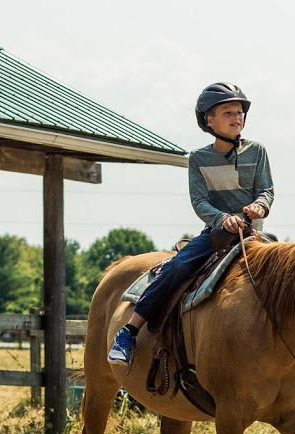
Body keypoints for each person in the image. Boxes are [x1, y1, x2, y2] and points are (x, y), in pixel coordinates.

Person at [108, 82, 274, 366]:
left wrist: (261, 205)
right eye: (228, 112)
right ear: (209, 120)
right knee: (177, 268)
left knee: (290, 273)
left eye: (239, 112)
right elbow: (199, 201)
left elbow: (266, 190)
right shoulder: (198, 158)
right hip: (216, 234)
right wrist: (222, 218)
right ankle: (129, 332)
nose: (236, 117)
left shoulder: (257, 151)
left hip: (255, 234)